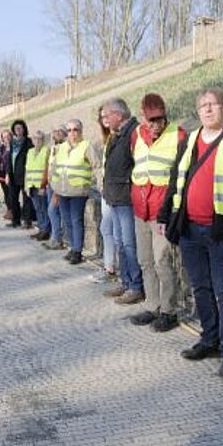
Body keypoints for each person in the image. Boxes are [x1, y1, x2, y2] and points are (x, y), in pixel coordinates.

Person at [161, 88, 223, 379]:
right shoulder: (189, 141)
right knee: (200, 287)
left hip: (220, 232)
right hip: (189, 228)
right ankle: (209, 339)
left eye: (213, 104)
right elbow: (176, 179)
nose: (208, 109)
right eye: (203, 105)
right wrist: (166, 215)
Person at [129, 93, 187, 332]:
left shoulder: (179, 135)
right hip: (140, 209)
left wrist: (174, 209)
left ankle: (168, 310)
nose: (156, 125)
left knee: (162, 261)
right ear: (143, 118)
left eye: (160, 120)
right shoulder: (136, 136)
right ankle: (152, 305)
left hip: (162, 211)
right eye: (151, 120)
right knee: (146, 261)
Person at [100, 97, 146, 305]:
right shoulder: (118, 135)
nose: (105, 120)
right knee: (120, 243)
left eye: (107, 115)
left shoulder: (134, 133)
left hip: (126, 198)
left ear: (118, 115)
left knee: (129, 244)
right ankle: (126, 282)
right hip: (115, 197)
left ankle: (136, 287)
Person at [49, 118, 99, 264]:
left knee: (76, 220)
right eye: (69, 130)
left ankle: (77, 251)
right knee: (67, 220)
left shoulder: (86, 145)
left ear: (81, 131)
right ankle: (72, 247)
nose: (72, 133)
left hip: (78, 191)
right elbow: (55, 167)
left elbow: (96, 166)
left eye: (75, 129)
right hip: (62, 191)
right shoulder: (62, 147)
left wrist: (99, 185)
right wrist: (54, 186)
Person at [90, 104, 120, 284]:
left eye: (108, 115)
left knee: (114, 232)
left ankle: (112, 269)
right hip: (106, 191)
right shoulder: (108, 139)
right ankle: (110, 267)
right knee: (106, 229)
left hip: (117, 193)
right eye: (102, 117)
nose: (105, 119)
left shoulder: (119, 137)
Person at [42, 123, 69, 251]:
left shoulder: (66, 147)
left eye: (59, 131)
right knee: (53, 211)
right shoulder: (53, 148)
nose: (56, 133)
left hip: (59, 185)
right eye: (55, 131)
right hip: (50, 184)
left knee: (52, 210)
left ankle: (57, 239)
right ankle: (55, 237)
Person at [6, 119, 36, 229]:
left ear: (24, 129)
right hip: (13, 175)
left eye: (20, 128)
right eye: (16, 128)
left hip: (24, 174)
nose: (18, 130)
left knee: (26, 199)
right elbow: (9, 159)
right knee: (13, 198)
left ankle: (27, 221)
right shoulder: (12, 143)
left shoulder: (28, 142)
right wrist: (8, 173)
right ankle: (16, 220)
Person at [26, 130, 51, 241]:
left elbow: (47, 169)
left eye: (40, 139)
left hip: (41, 185)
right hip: (31, 185)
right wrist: (26, 185)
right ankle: (41, 229)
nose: (37, 141)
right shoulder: (30, 152)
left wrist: (44, 185)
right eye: (35, 138)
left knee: (43, 208)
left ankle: (45, 230)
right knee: (37, 208)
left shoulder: (46, 151)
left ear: (43, 140)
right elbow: (27, 169)